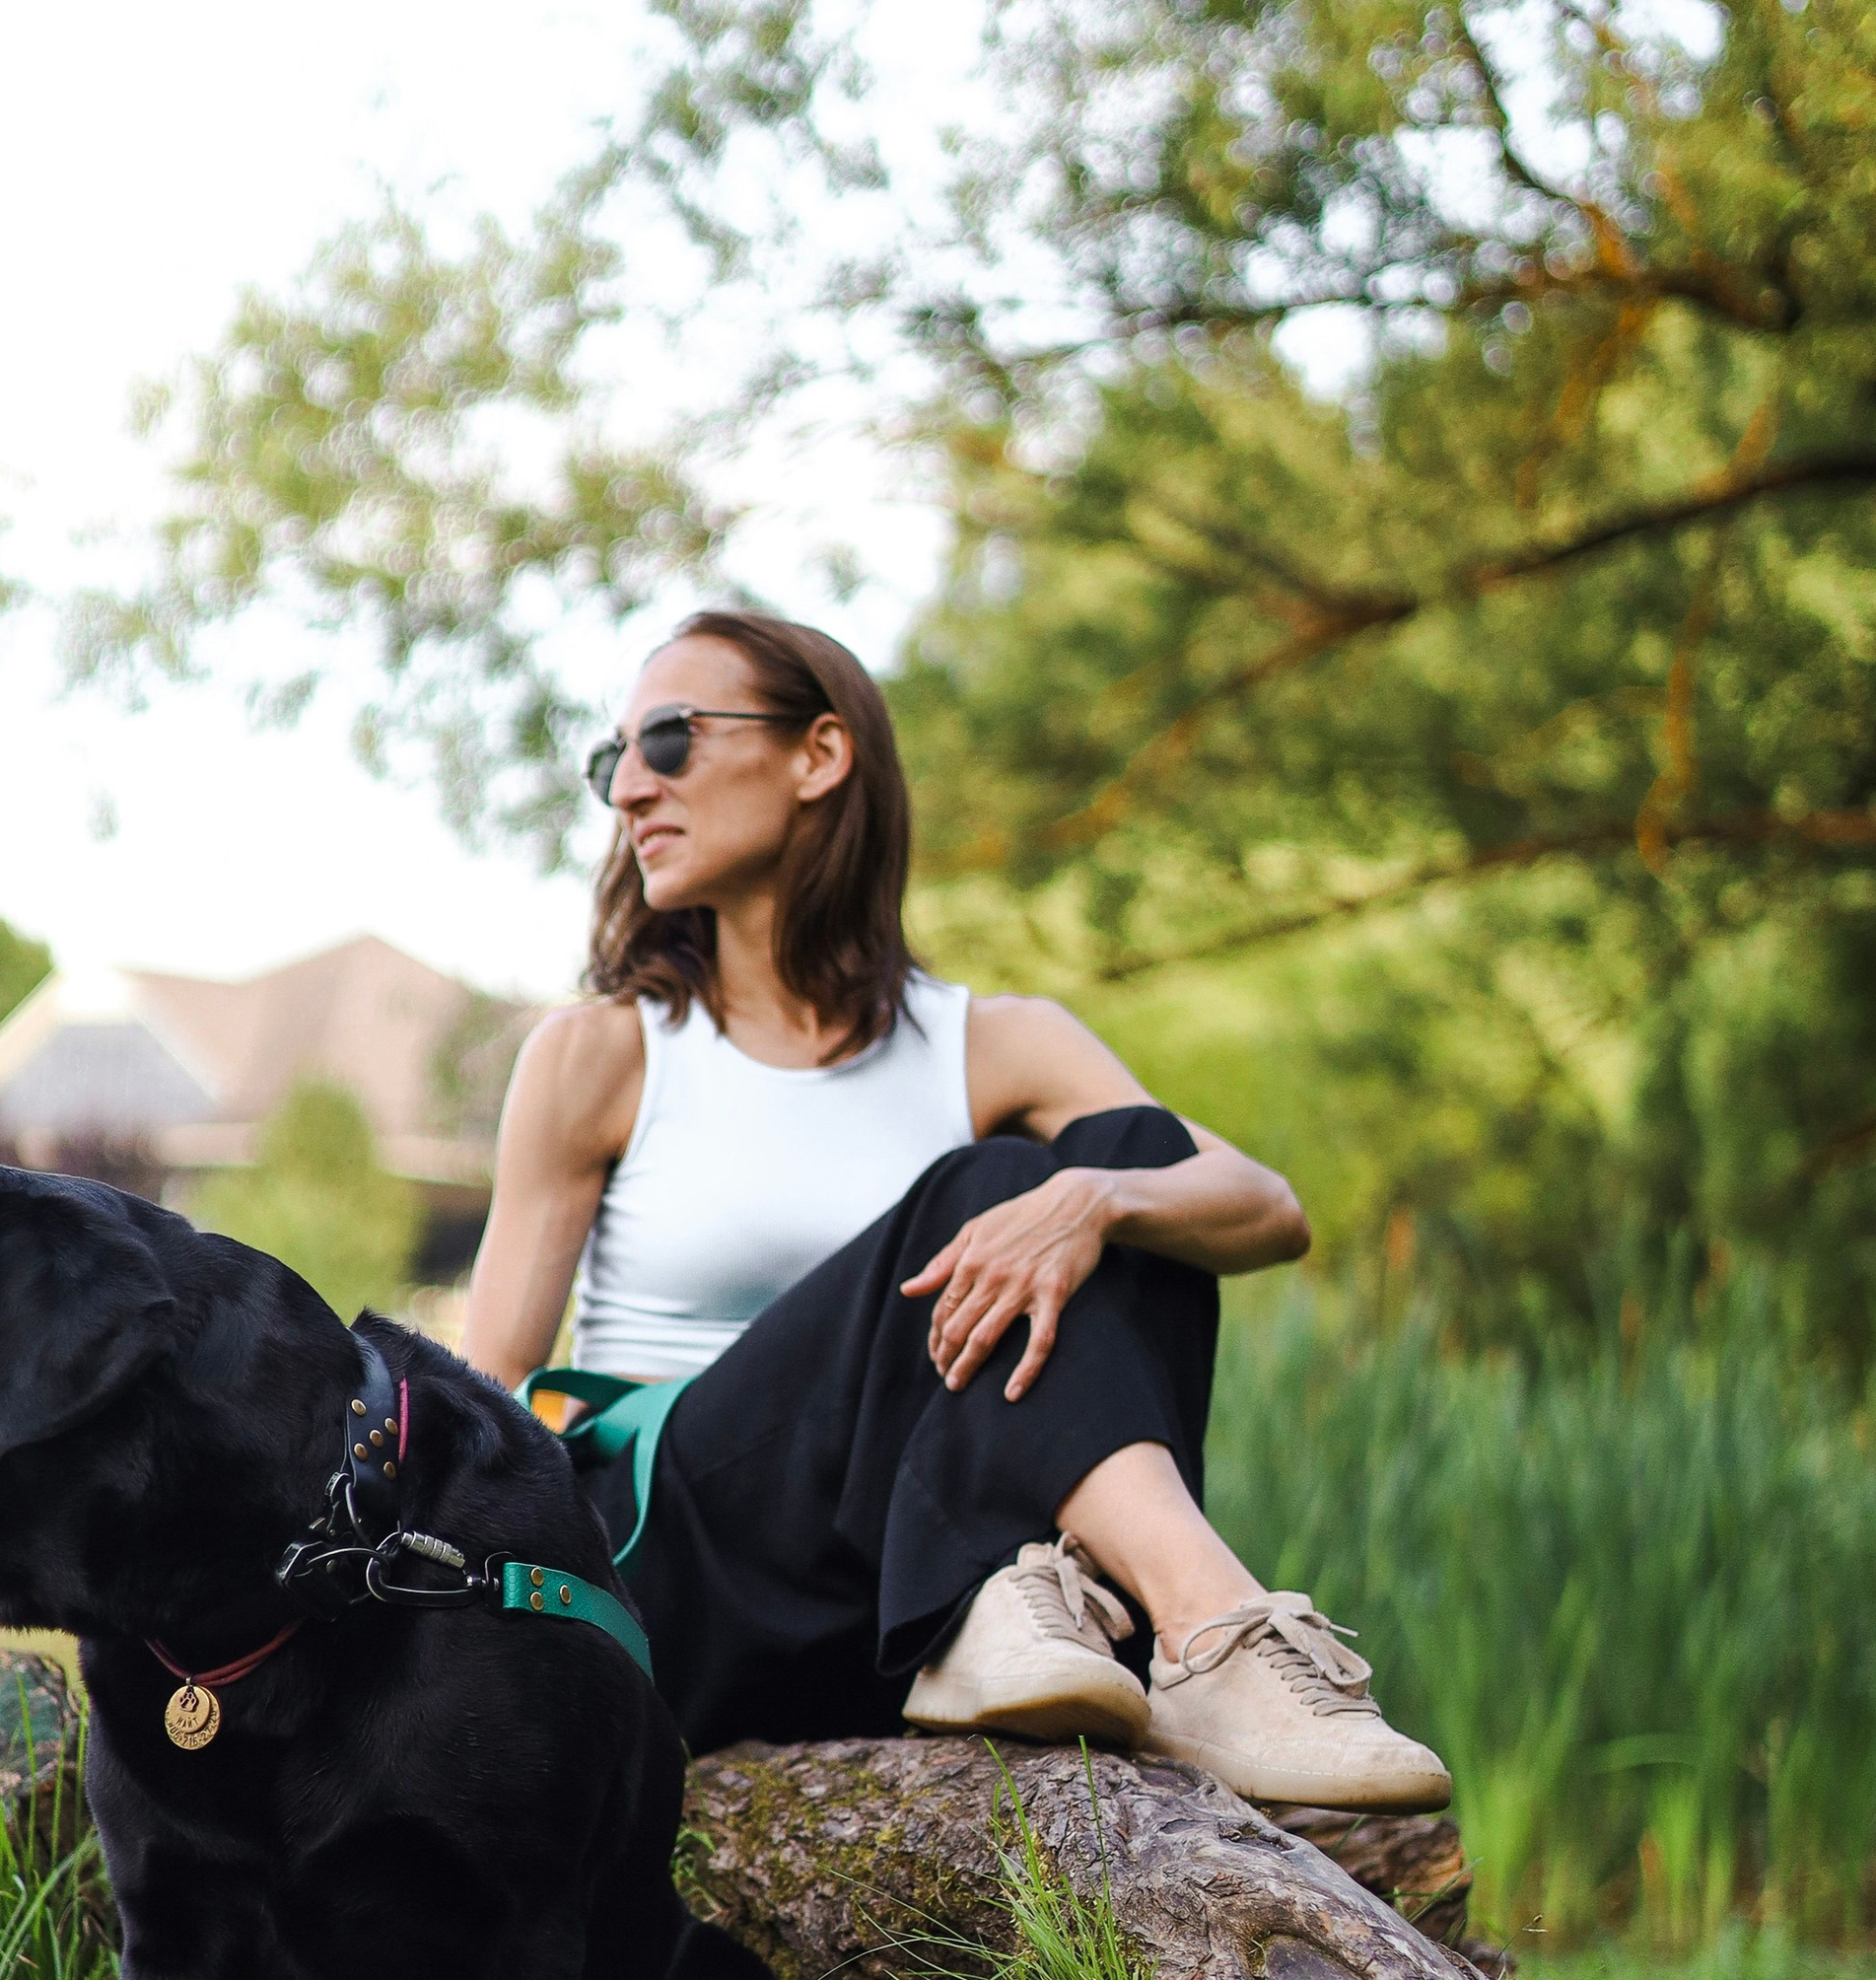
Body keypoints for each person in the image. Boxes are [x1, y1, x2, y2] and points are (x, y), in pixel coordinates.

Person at [460, 607, 1449, 1810]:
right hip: (679, 1568)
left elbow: (1266, 1208)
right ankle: (1212, 1632)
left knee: (1120, 1156)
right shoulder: (606, 1054)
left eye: (666, 740)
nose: (627, 788)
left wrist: (1095, 1198)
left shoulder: (992, 1043)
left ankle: (996, 1611)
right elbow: (485, 1389)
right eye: (609, 758)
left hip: (866, 1598)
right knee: (993, 1188)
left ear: (819, 755)